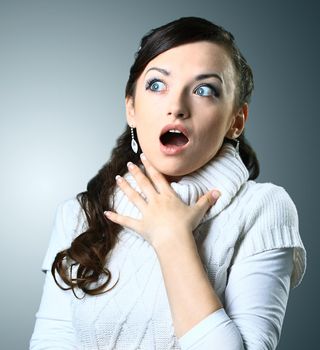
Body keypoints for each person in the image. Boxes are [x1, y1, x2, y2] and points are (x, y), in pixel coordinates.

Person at [30, 16, 306, 349]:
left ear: (236, 122)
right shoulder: (79, 213)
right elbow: (52, 340)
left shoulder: (264, 209)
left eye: (205, 90)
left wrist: (172, 238)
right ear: (131, 108)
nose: (176, 107)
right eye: (157, 85)